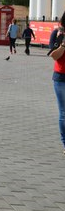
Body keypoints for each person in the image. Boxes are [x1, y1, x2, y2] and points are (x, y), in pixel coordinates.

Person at [48, 11, 65, 156]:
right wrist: (63, 45)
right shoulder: (58, 34)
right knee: (64, 113)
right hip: (61, 78)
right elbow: (53, 55)